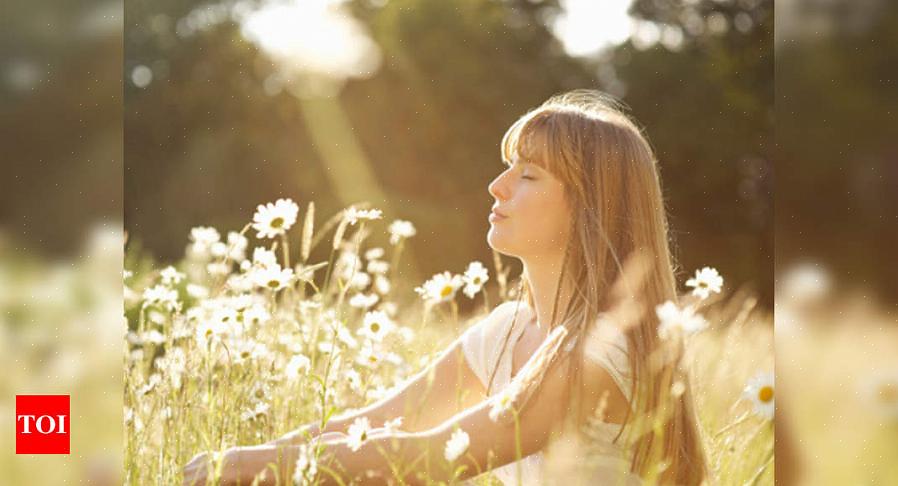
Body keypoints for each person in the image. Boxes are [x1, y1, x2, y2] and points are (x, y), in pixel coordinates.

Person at [183, 90, 710, 485]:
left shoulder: (598, 353)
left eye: (529, 176)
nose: (497, 186)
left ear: (589, 208)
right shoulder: (507, 331)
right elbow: (373, 422)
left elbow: (427, 458)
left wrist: (246, 466)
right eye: (509, 168)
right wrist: (243, 459)